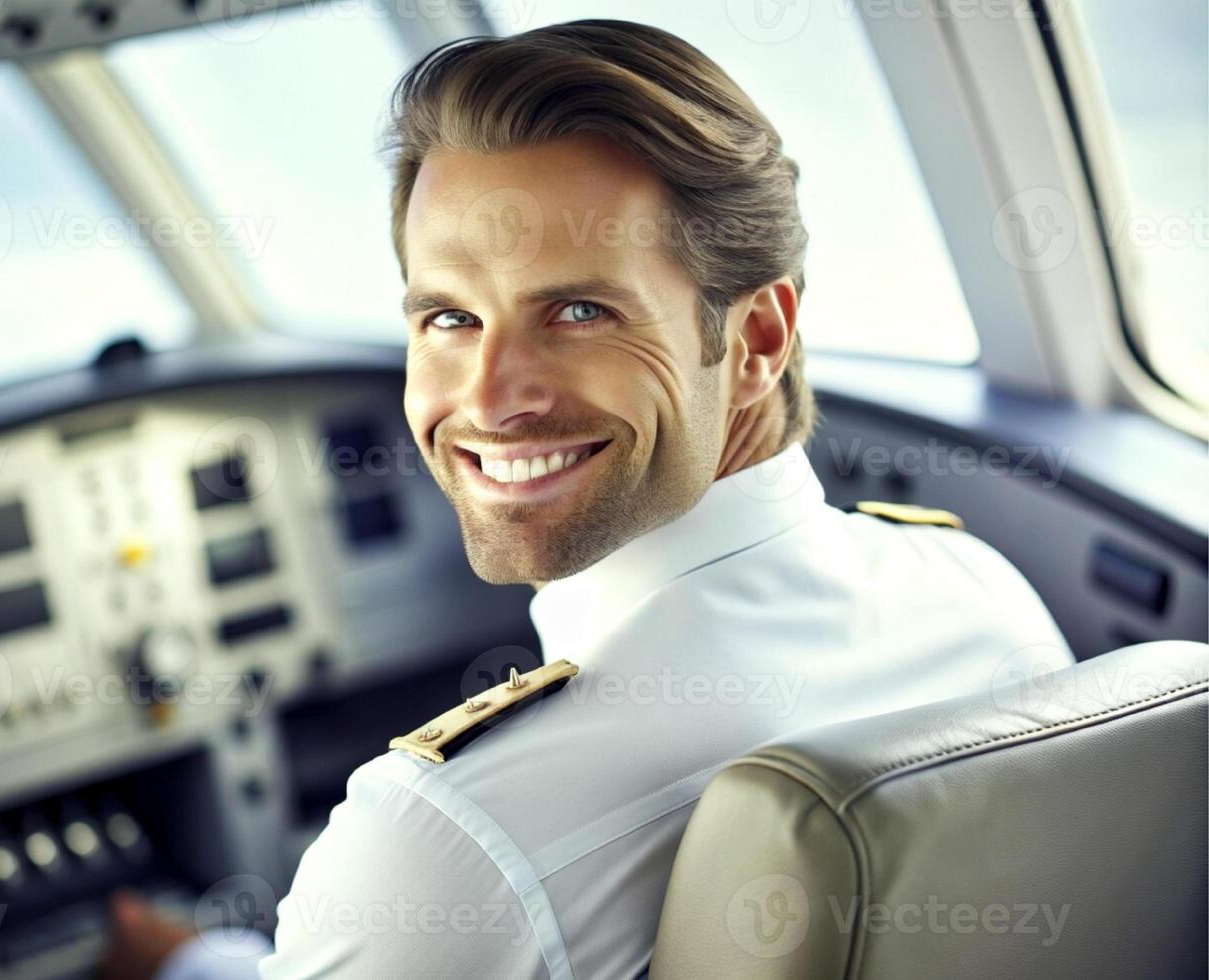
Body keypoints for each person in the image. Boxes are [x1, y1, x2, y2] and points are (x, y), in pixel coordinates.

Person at [101, 19, 1072, 980]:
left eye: (577, 312)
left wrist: (184, 962)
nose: (487, 397)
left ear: (757, 340)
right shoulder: (983, 598)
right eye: (449, 316)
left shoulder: (450, 841)